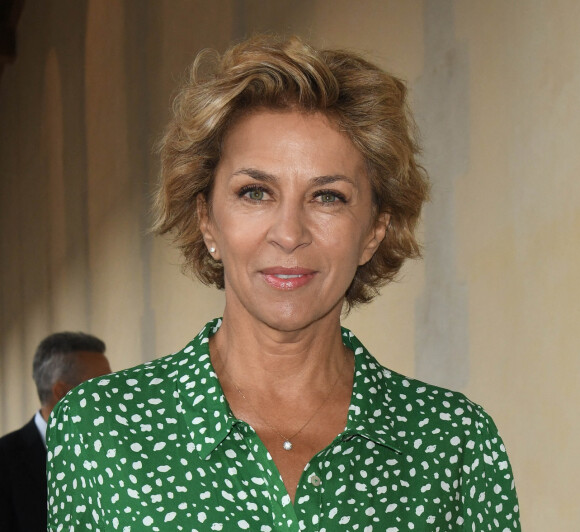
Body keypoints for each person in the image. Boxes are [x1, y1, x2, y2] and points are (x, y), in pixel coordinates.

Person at [47, 35, 520, 531]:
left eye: (328, 197)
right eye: (256, 192)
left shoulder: (455, 442)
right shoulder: (99, 426)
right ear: (207, 219)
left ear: (373, 232)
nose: (290, 233)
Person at [0, 331, 111, 532]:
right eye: (102, 385)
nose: (111, 394)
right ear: (63, 392)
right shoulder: (4, 459)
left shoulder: (112, 450)